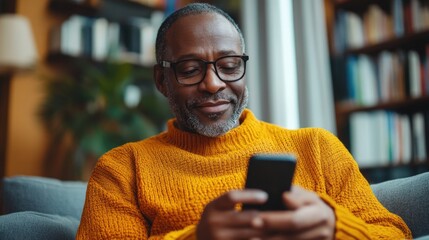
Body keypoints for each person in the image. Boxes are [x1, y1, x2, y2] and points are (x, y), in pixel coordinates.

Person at [76, 3, 411, 239]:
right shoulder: (122, 169)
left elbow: (395, 234)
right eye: (190, 70)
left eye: (230, 65)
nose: (213, 83)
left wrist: (337, 228)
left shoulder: (317, 147)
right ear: (162, 81)